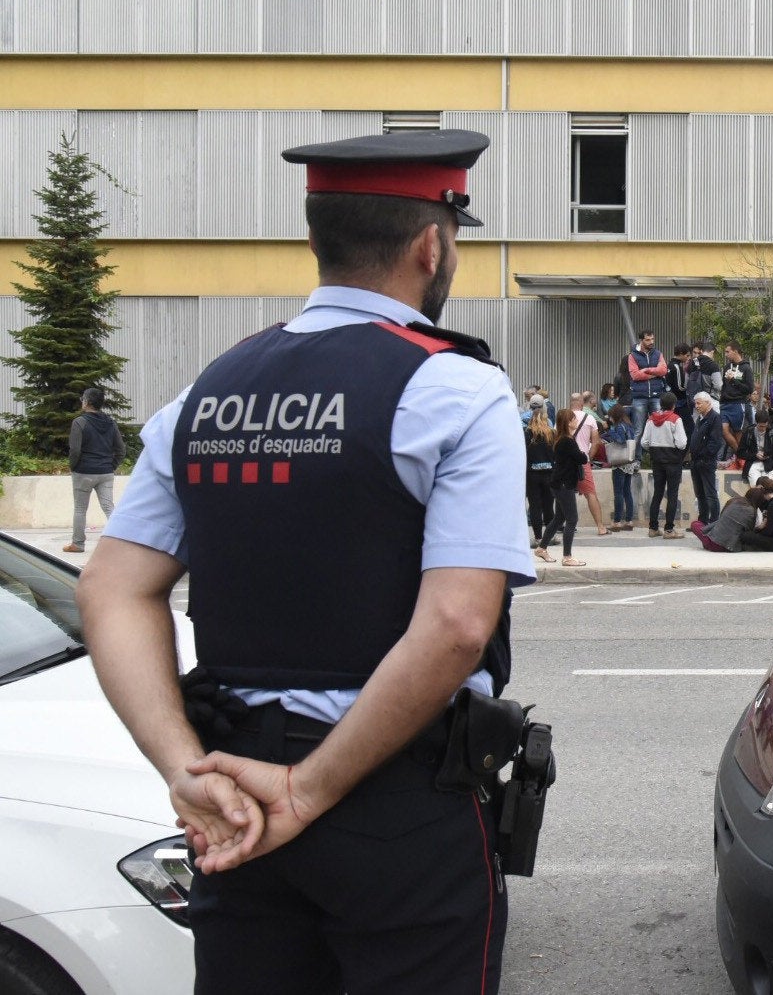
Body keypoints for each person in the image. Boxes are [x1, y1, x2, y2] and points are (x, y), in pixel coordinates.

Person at [75, 128, 535, 994]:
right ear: (432, 245)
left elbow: (111, 588)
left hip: (232, 796)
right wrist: (310, 788)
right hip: (392, 795)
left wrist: (186, 771)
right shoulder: (456, 389)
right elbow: (457, 624)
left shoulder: (204, 393)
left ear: (317, 238)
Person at [64, 386, 125, 553]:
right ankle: (121, 542)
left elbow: (75, 450)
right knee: (108, 507)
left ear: (88, 402)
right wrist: (111, 466)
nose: (81, 401)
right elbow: (121, 450)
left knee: (80, 509)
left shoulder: (79, 422)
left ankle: (78, 544)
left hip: (83, 471)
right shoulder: (111, 423)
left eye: (83, 398)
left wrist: (73, 466)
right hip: (105, 472)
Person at [535, 407, 589, 567]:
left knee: (559, 518)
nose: (576, 420)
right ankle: (567, 556)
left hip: (559, 483)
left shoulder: (561, 438)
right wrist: (583, 454)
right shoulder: (567, 440)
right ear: (568, 422)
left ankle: (542, 547)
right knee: (572, 519)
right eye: (573, 419)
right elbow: (581, 459)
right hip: (564, 484)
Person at [643, 391, 688, 539]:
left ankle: (653, 528)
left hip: (657, 461)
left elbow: (644, 442)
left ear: (660, 404)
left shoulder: (651, 419)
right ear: (674, 405)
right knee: (672, 494)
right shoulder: (676, 419)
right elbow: (681, 444)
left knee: (657, 493)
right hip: (673, 461)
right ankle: (669, 530)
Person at [569, 392, 610, 535]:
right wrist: (589, 458)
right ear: (581, 403)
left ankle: (566, 526)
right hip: (582, 461)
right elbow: (596, 442)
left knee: (566, 494)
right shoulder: (590, 418)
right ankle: (600, 527)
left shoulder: (563, 417)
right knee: (590, 494)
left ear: (570, 402)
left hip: (566, 463)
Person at [627, 330, 669, 456]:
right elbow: (635, 375)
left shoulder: (658, 353)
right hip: (639, 397)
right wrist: (653, 374)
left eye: (652, 339)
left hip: (656, 395)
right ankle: (635, 459)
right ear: (641, 340)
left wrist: (647, 370)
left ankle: (658, 458)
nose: (651, 342)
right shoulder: (632, 356)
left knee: (659, 426)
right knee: (638, 429)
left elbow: (663, 370)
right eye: (648, 340)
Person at [690, 483, 765, 552]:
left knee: (695, 524)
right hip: (731, 545)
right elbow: (749, 531)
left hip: (714, 543)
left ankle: (707, 542)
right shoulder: (754, 512)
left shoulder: (735, 501)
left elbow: (721, 518)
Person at [688, 391, 723, 524]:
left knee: (710, 494)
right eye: (695, 403)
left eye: (699, 403)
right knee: (700, 494)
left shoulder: (715, 418)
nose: (696, 406)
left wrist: (704, 456)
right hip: (696, 462)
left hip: (706, 462)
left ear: (708, 403)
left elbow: (715, 442)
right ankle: (702, 521)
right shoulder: (700, 418)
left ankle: (714, 522)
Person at [601, 403, 638, 531]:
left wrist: (609, 430)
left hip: (619, 463)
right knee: (627, 492)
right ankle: (629, 521)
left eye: (610, 416)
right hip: (629, 462)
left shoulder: (619, 426)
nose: (609, 418)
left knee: (618, 493)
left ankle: (617, 522)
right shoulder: (629, 426)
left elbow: (620, 440)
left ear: (614, 416)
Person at [524, 397, 556, 537]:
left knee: (535, 506)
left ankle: (538, 537)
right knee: (548, 506)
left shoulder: (527, 432)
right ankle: (549, 537)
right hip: (549, 473)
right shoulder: (551, 432)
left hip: (532, 474)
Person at [719, 341, 755, 459]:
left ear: (735, 351)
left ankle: (742, 459)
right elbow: (724, 385)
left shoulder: (746, 368)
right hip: (725, 404)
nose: (726, 354)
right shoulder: (726, 367)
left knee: (738, 432)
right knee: (724, 430)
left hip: (738, 404)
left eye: (727, 352)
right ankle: (740, 455)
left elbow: (749, 389)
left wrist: (734, 380)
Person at [740, 408, 773, 485]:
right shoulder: (749, 432)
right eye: (760, 426)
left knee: (768, 488)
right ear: (756, 423)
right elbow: (740, 452)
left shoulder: (772, 433)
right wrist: (755, 455)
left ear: (767, 423)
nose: (763, 429)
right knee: (756, 487)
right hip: (753, 464)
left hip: (768, 465)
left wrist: (772, 463)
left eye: (765, 426)